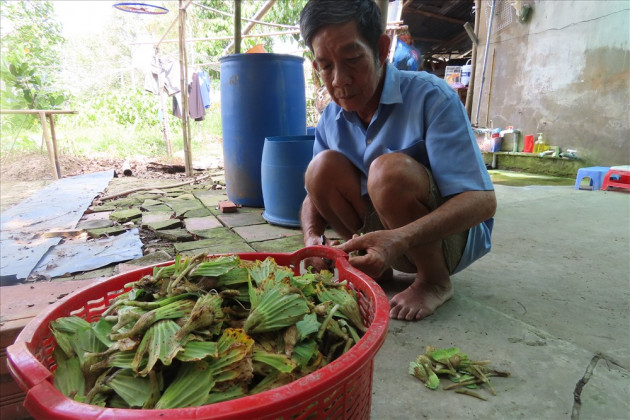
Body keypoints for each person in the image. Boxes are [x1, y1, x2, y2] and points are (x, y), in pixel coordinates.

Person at [298, 0, 496, 321]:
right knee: (319, 170)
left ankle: (434, 281)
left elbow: (482, 202)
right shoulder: (331, 118)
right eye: (326, 66)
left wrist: (400, 238)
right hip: (384, 241)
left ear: (381, 48)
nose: (339, 81)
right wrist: (312, 238)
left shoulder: (431, 96)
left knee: (387, 172)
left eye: (351, 60)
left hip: (444, 243)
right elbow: (313, 196)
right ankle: (377, 270)